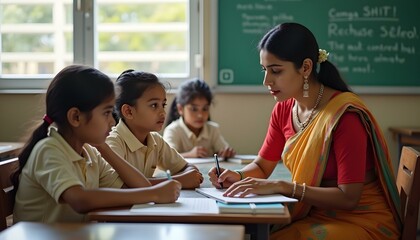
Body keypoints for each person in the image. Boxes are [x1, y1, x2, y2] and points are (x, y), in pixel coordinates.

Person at [208, 22, 401, 239]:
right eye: (264, 70)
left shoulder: (345, 117)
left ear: (306, 68)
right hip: (315, 214)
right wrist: (238, 176)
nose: (266, 81)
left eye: (276, 71)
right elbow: (263, 165)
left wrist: (282, 187)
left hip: (360, 220)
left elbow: (349, 198)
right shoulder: (284, 109)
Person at [12, 65, 181, 223]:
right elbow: (80, 200)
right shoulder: (49, 150)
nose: (112, 122)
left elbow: (136, 187)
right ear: (76, 117)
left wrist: (104, 148)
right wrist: (153, 194)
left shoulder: (90, 153)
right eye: (106, 113)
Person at [106, 70, 203, 189]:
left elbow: (189, 169)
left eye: (163, 104)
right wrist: (176, 181)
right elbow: (121, 188)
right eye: (154, 105)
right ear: (128, 111)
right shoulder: (113, 143)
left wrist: (189, 176)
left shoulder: (155, 140)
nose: (163, 112)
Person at [163, 78, 235, 159]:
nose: (200, 115)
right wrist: (190, 154)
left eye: (205, 109)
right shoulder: (173, 130)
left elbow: (223, 150)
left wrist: (226, 153)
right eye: (194, 109)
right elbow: (166, 158)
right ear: (180, 109)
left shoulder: (213, 129)